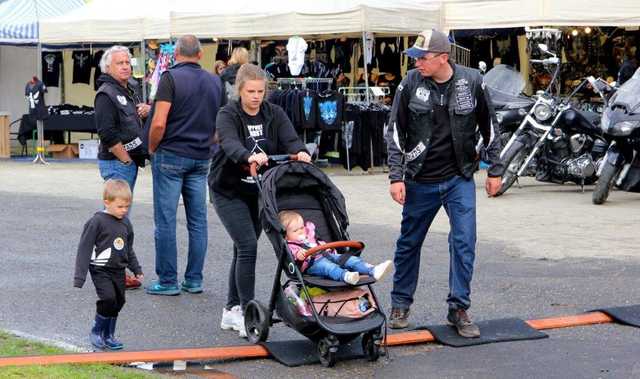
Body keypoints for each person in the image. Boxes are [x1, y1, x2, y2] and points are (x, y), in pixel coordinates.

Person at [385, 29, 504, 337]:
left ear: (443, 58)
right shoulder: (410, 83)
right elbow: (394, 132)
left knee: (464, 241)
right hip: (420, 179)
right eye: (415, 58)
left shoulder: (472, 81)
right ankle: (400, 304)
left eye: (422, 58)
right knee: (409, 243)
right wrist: (396, 176)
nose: (417, 64)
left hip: (459, 178)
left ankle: (459, 307)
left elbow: (490, 126)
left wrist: (495, 170)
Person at [208, 63, 311, 337]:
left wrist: (300, 152)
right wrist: (247, 156)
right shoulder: (227, 114)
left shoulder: (273, 113)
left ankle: (230, 310)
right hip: (228, 189)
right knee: (246, 246)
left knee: (243, 248)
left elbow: (291, 139)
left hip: (259, 190)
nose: (255, 96)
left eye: (260, 91)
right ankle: (246, 311)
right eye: (250, 91)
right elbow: (229, 143)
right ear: (239, 90)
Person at [146, 35, 225, 296]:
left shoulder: (170, 78)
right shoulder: (216, 81)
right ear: (201, 55)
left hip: (171, 153)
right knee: (198, 221)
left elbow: (158, 122)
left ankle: (168, 281)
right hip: (201, 156)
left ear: (176, 53)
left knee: (166, 221)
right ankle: (194, 279)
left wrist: (153, 147)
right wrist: (208, 146)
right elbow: (220, 125)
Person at [94, 45, 151, 289]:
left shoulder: (130, 89)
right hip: (117, 163)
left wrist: (146, 111)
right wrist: (125, 158)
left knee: (119, 220)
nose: (126, 66)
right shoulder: (106, 93)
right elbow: (107, 133)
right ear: (108, 67)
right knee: (115, 221)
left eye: (128, 62)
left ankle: (113, 269)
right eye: (120, 63)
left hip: (128, 163)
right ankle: (111, 272)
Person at [74, 179, 144, 350]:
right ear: (107, 202)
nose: (124, 210)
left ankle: (109, 335)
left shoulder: (126, 223)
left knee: (119, 301)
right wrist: (79, 276)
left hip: (118, 269)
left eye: (127, 206)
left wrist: (136, 269)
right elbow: (84, 248)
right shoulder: (96, 222)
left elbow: (128, 249)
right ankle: (97, 331)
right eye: (120, 207)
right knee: (108, 298)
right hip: (100, 269)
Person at [279, 211, 392, 284]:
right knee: (328, 267)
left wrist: (325, 246)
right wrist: (299, 255)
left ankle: (372, 270)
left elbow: (319, 243)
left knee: (349, 259)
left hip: (327, 255)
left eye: (302, 227)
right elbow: (294, 256)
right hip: (312, 265)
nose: (300, 231)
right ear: (286, 234)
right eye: (295, 230)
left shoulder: (310, 236)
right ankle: (345, 276)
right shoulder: (291, 245)